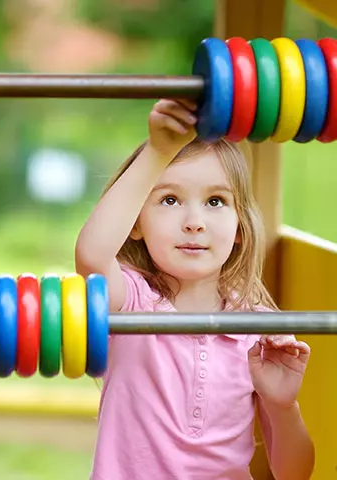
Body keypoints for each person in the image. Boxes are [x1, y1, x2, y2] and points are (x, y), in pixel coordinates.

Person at [75, 99, 314, 479]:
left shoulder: (260, 331)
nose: (194, 222)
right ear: (135, 223)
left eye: (215, 201)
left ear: (239, 228)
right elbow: (91, 254)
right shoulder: (131, 303)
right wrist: (159, 151)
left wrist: (283, 407)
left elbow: (294, 473)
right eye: (169, 200)